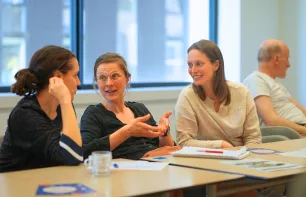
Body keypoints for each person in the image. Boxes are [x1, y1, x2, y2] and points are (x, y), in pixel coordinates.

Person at [175, 39, 284, 197]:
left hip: (243, 161)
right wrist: (221, 145)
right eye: (190, 65)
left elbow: (253, 137)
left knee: (279, 182)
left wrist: (248, 163)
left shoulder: (241, 92)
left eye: (199, 64)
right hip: (207, 163)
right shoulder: (187, 96)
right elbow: (184, 142)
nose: (193, 70)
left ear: (216, 65)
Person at [80, 53, 180, 160]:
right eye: (102, 78)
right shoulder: (93, 114)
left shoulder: (139, 109)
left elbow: (166, 148)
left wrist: (163, 132)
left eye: (115, 76)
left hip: (158, 166)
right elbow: (85, 152)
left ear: (127, 78)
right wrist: (127, 132)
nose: (108, 83)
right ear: (97, 82)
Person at [0, 45, 83, 173]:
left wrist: (65, 103)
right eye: (75, 75)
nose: (78, 82)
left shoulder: (62, 107)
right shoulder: (25, 114)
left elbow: (75, 153)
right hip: (16, 187)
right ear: (58, 77)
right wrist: (65, 101)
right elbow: (72, 156)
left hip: (47, 182)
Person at [243, 39, 306, 137]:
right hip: (294, 134)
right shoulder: (255, 80)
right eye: (287, 59)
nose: (289, 65)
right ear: (276, 59)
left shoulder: (276, 83)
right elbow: (271, 120)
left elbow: (303, 111)